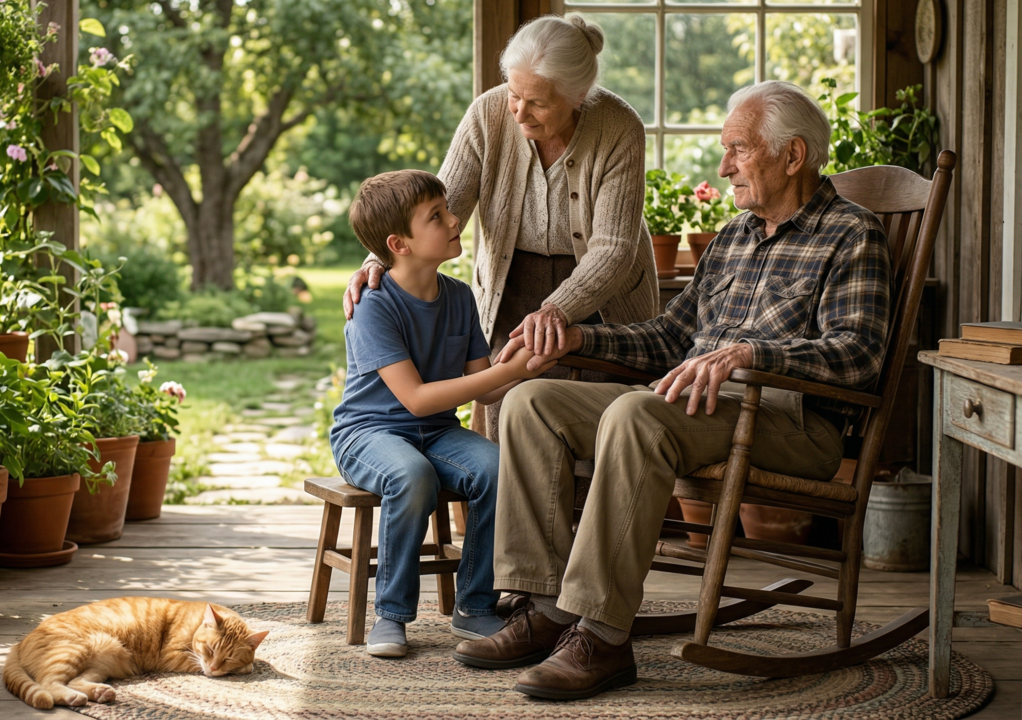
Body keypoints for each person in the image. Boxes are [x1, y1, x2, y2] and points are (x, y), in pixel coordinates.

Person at [453, 81, 892, 701]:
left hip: (792, 421)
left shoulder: (852, 233)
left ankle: (601, 634)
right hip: (700, 407)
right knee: (531, 401)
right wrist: (578, 338)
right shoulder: (734, 236)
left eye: (739, 149)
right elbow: (669, 338)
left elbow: (859, 354)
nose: (724, 167)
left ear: (793, 155)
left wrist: (747, 353)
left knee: (639, 413)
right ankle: (545, 608)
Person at [342, 14, 658, 442]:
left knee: (605, 433)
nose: (520, 112)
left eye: (538, 103)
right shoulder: (487, 114)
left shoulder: (619, 126)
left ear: (578, 96)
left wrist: (557, 309)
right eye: (514, 94)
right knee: (510, 432)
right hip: (512, 285)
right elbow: (439, 205)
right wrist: (378, 260)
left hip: (604, 293)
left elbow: (613, 247)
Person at [330, 169, 556, 659]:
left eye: (448, 209)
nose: (455, 220)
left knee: (496, 468)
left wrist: (526, 365)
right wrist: (504, 373)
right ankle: (391, 615)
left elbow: (485, 387)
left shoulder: (459, 296)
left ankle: (474, 606)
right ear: (399, 244)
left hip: (437, 432)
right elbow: (415, 398)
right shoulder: (373, 306)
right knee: (412, 476)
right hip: (368, 434)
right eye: (436, 216)